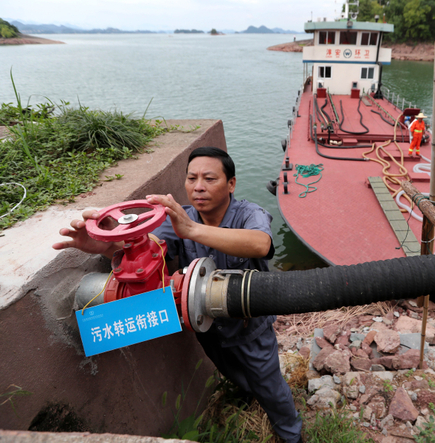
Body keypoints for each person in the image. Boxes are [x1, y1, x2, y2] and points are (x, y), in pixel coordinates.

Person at [53, 147, 302, 443]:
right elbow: (151, 249)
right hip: (207, 327)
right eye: (191, 178)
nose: (198, 186)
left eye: (209, 178)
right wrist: (108, 245)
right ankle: (248, 392)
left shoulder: (248, 214)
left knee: (271, 386)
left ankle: (292, 435)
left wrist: (192, 230)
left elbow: (260, 244)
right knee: (230, 370)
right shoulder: (179, 221)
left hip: (249, 329)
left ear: (231, 184)